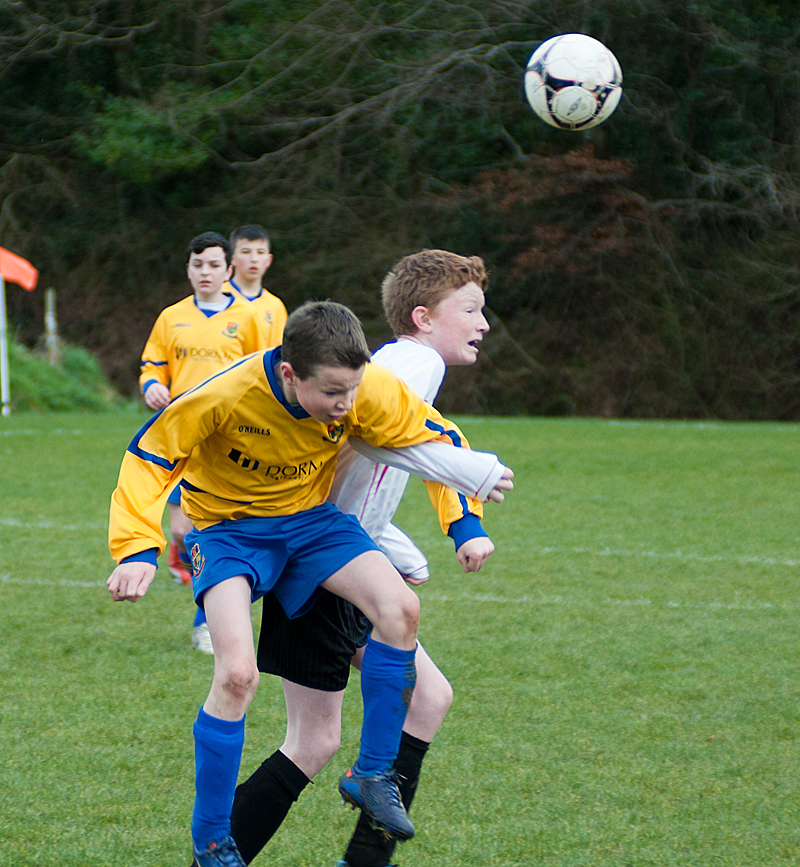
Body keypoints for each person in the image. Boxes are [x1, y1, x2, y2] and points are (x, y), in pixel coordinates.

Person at [107, 300, 513, 867]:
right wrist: (136, 549)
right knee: (237, 677)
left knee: (400, 608)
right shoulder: (225, 394)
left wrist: (465, 518)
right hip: (227, 531)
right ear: (289, 373)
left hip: (309, 522)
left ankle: (373, 773)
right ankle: (214, 842)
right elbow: (149, 457)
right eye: (332, 393)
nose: (346, 405)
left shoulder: (363, 388)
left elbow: (432, 438)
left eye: (353, 390)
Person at [227, 250, 497, 867]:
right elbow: (398, 441)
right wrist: (459, 517)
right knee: (313, 741)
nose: (483, 324)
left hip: (337, 562)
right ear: (423, 317)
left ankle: (364, 859)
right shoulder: (415, 362)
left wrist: (411, 537)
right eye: (470, 310)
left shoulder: (399, 367)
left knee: (425, 699)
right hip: (324, 572)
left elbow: (410, 440)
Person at [138, 231, 262, 653]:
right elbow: (152, 363)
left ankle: (207, 622)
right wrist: (152, 384)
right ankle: (215, 604)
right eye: (197, 265)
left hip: (229, 441)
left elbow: (262, 371)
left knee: (218, 527)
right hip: (181, 438)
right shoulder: (171, 317)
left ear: (228, 270)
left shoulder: (247, 318)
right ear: (188, 270)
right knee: (182, 532)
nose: (205, 272)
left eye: (213, 265)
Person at [225, 224, 287, 348]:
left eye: (260, 252)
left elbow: (279, 352)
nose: (254, 259)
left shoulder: (275, 307)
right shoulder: (218, 296)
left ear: (269, 260)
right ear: (232, 258)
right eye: (246, 252)